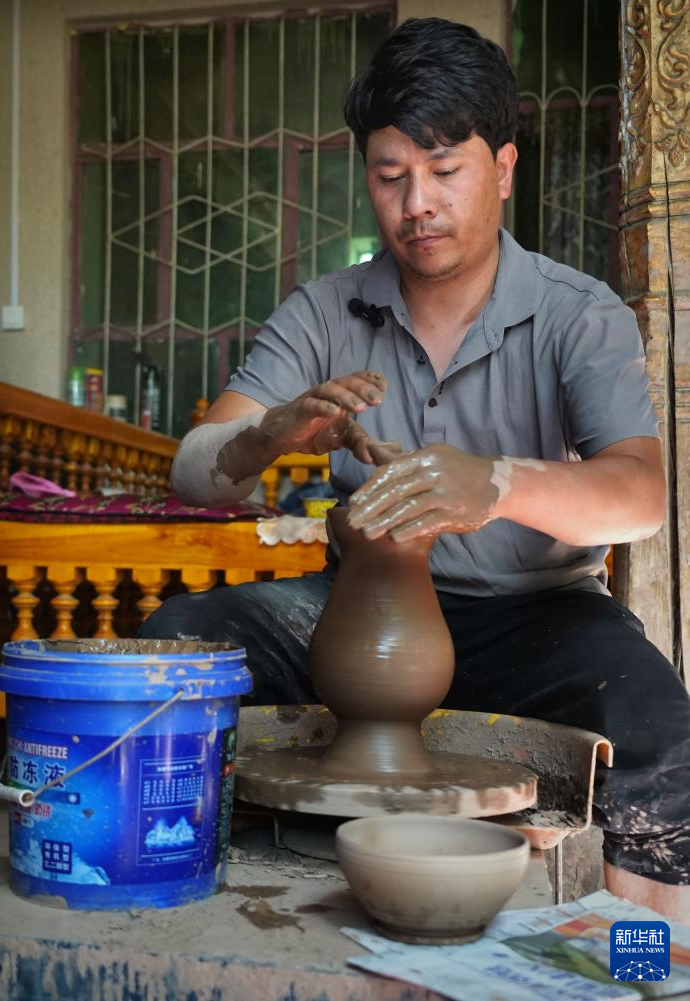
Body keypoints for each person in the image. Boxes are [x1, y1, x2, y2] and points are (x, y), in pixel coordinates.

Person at [141, 18, 690, 920]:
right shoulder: (326, 310)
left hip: (536, 620)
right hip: (354, 608)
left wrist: (499, 483)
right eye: (390, 176)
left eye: (444, 170)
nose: (416, 204)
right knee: (177, 647)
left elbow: (639, 495)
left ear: (503, 168)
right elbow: (193, 473)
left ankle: (642, 961)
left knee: (658, 726)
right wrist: (269, 432)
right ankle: (185, 916)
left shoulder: (577, 314)